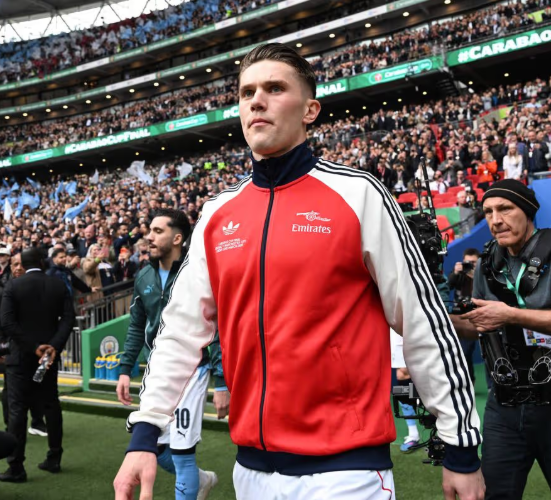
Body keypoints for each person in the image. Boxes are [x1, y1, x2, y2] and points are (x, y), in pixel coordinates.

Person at [114, 43, 484, 500]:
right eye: (247, 92)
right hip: (250, 470)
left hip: (346, 472)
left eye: (274, 88)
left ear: (310, 110)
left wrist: (459, 445)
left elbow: (422, 320)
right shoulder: (217, 214)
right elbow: (180, 331)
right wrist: (146, 431)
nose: (257, 101)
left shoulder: (359, 195)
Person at [457, 179, 551, 500]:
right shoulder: (487, 262)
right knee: (494, 495)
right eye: (488, 212)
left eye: (505, 209)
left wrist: (511, 315)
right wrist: (443, 320)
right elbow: (480, 326)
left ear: (527, 212)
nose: (496, 220)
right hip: (505, 405)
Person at [115, 209, 220, 500]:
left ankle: (192, 480)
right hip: (158, 372)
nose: (149, 236)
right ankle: (201, 480)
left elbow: (217, 323)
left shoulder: (197, 273)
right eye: (150, 230)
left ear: (177, 238)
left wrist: (221, 380)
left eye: (158, 231)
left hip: (193, 369)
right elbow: (136, 325)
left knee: (183, 451)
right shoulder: (144, 275)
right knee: (154, 447)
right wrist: (125, 369)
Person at [0, 248, 75, 483]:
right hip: (48, 358)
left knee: (17, 410)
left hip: (20, 358)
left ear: (23, 263)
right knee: (51, 404)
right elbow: (68, 319)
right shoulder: (57, 285)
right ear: (42, 262)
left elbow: (7, 323)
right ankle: (54, 458)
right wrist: (52, 346)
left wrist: (33, 347)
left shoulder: (13, 286)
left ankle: (16, 467)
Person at [0, 253, 47, 435]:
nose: (18, 268)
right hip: (9, 349)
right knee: (11, 390)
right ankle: (11, 428)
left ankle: (37, 422)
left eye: (22, 264)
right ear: (10, 267)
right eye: (15, 265)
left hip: (34, 348)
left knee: (37, 384)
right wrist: (0, 349)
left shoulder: (37, 288)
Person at [448, 248, 481, 385]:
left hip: (482, 315)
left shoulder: (483, 273)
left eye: (473, 262)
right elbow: (448, 285)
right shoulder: (460, 273)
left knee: (490, 352)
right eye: (467, 262)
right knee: (464, 352)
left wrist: (475, 274)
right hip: (463, 318)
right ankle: (469, 382)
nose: (470, 265)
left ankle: (492, 386)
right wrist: (456, 272)